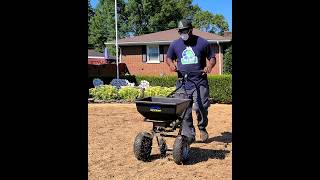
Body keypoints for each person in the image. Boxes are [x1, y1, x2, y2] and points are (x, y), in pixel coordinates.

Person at [166, 19, 216, 144]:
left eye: (185, 30)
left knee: (201, 106)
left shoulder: (202, 42)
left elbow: (212, 58)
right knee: (184, 110)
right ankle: (189, 135)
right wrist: (171, 64)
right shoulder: (175, 44)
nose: (183, 33)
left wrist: (209, 66)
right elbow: (168, 58)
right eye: (180, 31)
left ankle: (202, 127)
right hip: (183, 82)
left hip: (200, 81)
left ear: (191, 30)